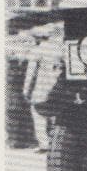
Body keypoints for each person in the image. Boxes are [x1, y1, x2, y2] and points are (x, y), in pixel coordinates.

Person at [23, 24, 65, 152]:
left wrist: (26, 90)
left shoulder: (37, 51)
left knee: (38, 115)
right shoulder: (59, 49)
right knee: (54, 115)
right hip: (57, 88)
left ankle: (44, 144)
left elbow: (31, 73)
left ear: (38, 38)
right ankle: (55, 142)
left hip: (40, 88)